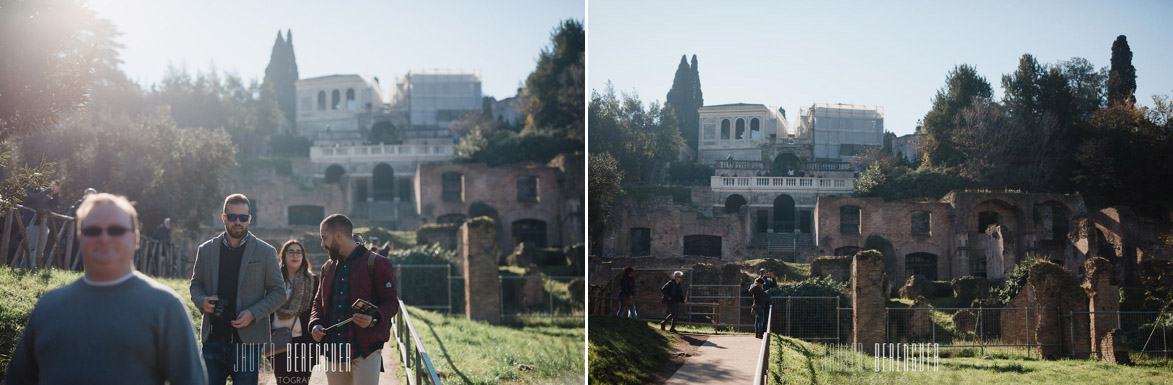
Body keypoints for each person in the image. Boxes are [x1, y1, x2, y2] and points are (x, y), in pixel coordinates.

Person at [6, 193, 207, 384]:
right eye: (93, 231)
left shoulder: (166, 307)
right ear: (80, 237)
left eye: (116, 230)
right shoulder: (48, 307)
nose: (104, 238)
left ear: (135, 238)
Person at [190, 193, 285, 385]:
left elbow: (278, 292)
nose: (238, 222)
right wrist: (201, 301)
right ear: (224, 218)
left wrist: (253, 313)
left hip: (248, 344)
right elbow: (195, 285)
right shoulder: (206, 250)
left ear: (249, 219)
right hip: (212, 341)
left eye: (243, 218)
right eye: (232, 217)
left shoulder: (266, 252)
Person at [310, 214, 399, 385]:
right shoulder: (327, 268)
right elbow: (317, 303)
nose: (322, 244)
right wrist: (315, 323)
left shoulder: (378, 263)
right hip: (333, 351)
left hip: (366, 350)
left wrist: (374, 318)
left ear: (338, 236)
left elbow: (391, 303)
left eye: (324, 238)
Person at [271, 239, 320, 384]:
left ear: (303, 257)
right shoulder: (274, 280)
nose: (295, 255)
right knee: (282, 381)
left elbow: (317, 309)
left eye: (299, 252)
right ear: (283, 256)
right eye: (291, 252)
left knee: (301, 382)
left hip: (303, 342)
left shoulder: (313, 281)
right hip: (278, 341)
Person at [21, 180, 59, 264]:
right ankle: (25, 267)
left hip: (44, 224)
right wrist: (48, 190)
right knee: (30, 248)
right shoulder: (27, 192)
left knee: (40, 249)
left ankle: (35, 268)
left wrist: (56, 192)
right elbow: (34, 197)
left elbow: (53, 204)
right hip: (32, 223)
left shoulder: (44, 194)